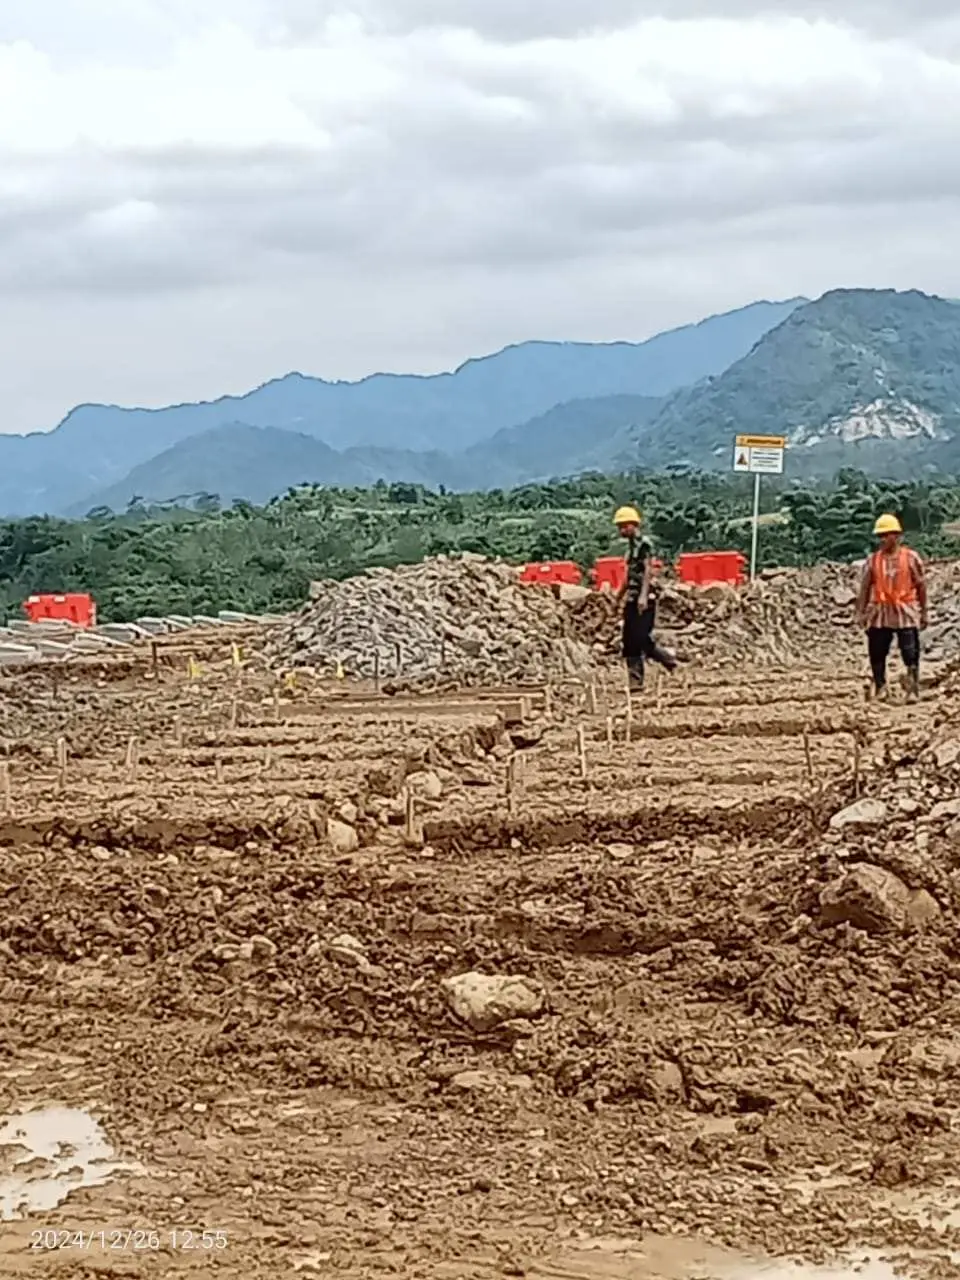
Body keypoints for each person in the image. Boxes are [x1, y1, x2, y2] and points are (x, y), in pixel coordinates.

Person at [855, 513, 927, 703]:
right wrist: (860, 613)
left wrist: (924, 612)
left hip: (905, 611)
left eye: (886, 535)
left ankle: (912, 688)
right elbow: (865, 587)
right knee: (877, 651)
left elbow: (921, 585)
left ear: (896, 535)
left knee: (910, 651)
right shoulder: (873, 561)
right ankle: (881, 687)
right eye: (880, 536)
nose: (883, 539)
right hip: (881, 611)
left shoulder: (911, 558)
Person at [613, 505, 677, 691]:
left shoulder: (644, 544)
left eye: (624, 526)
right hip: (633, 596)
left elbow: (648, 570)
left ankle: (666, 658)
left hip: (645, 596)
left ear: (634, 525)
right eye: (620, 527)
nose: (622, 531)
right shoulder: (631, 547)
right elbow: (628, 574)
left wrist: (643, 596)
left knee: (641, 637)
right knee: (629, 639)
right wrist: (618, 597)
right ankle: (635, 682)